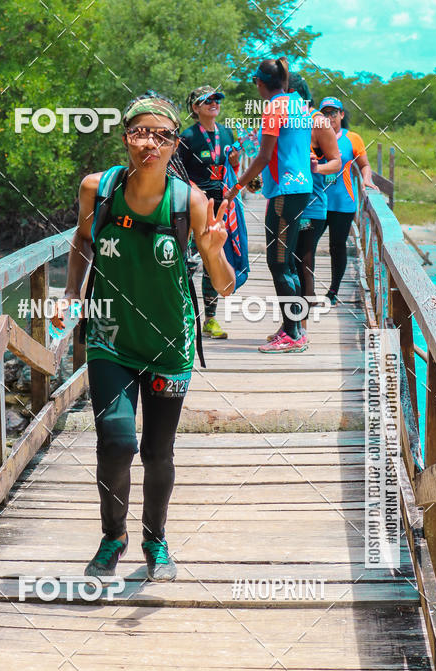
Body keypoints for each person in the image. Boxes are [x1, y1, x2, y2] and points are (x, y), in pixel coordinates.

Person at [52, 92, 234, 582]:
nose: (149, 143)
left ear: (176, 143)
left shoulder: (189, 201)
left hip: (169, 344)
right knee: (115, 442)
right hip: (110, 336)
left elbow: (223, 285)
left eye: (162, 135)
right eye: (139, 132)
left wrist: (215, 252)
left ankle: (156, 539)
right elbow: (83, 239)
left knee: (158, 451)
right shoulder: (99, 188)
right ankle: (113, 536)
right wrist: (71, 292)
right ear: (125, 136)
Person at [224, 58, 314, 353]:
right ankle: (295, 327)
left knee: (278, 263)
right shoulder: (299, 104)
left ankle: (293, 335)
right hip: (300, 189)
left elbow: (263, 156)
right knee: (286, 261)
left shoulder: (274, 107)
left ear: (259, 82)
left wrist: (235, 188)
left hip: (284, 192)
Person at [178, 86, 239, 340]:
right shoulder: (187, 137)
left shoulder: (227, 133)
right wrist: (195, 194)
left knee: (213, 259)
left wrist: (236, 161)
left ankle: (211, 319)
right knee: (189, 262)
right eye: (207, 101)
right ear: (195, 107)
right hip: (194, 205)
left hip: (220, 204)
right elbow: (178, 173)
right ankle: (184, 316)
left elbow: (234, 165)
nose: (214, 103)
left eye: (217, 100)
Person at [290, 78, 341, 336]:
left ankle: (301, 325)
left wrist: (315, 169)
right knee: (285, 264)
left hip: (310, 206)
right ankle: (291, 324)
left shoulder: (318, 121)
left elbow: (336, 162)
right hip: (284, 203)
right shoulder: (283, 119)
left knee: (303, 261)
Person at [318, 96, 377, 306]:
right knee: (305, 245)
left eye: (333, 113)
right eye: (324, 113)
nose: (329, 118)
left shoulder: (352, 138)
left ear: (341, 115)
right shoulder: (313, 136)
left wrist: (366, 181)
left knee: (337, 246)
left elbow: (364, 165)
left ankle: (333, 292)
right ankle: (305, 290)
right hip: (316, 202)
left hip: (343, 203)